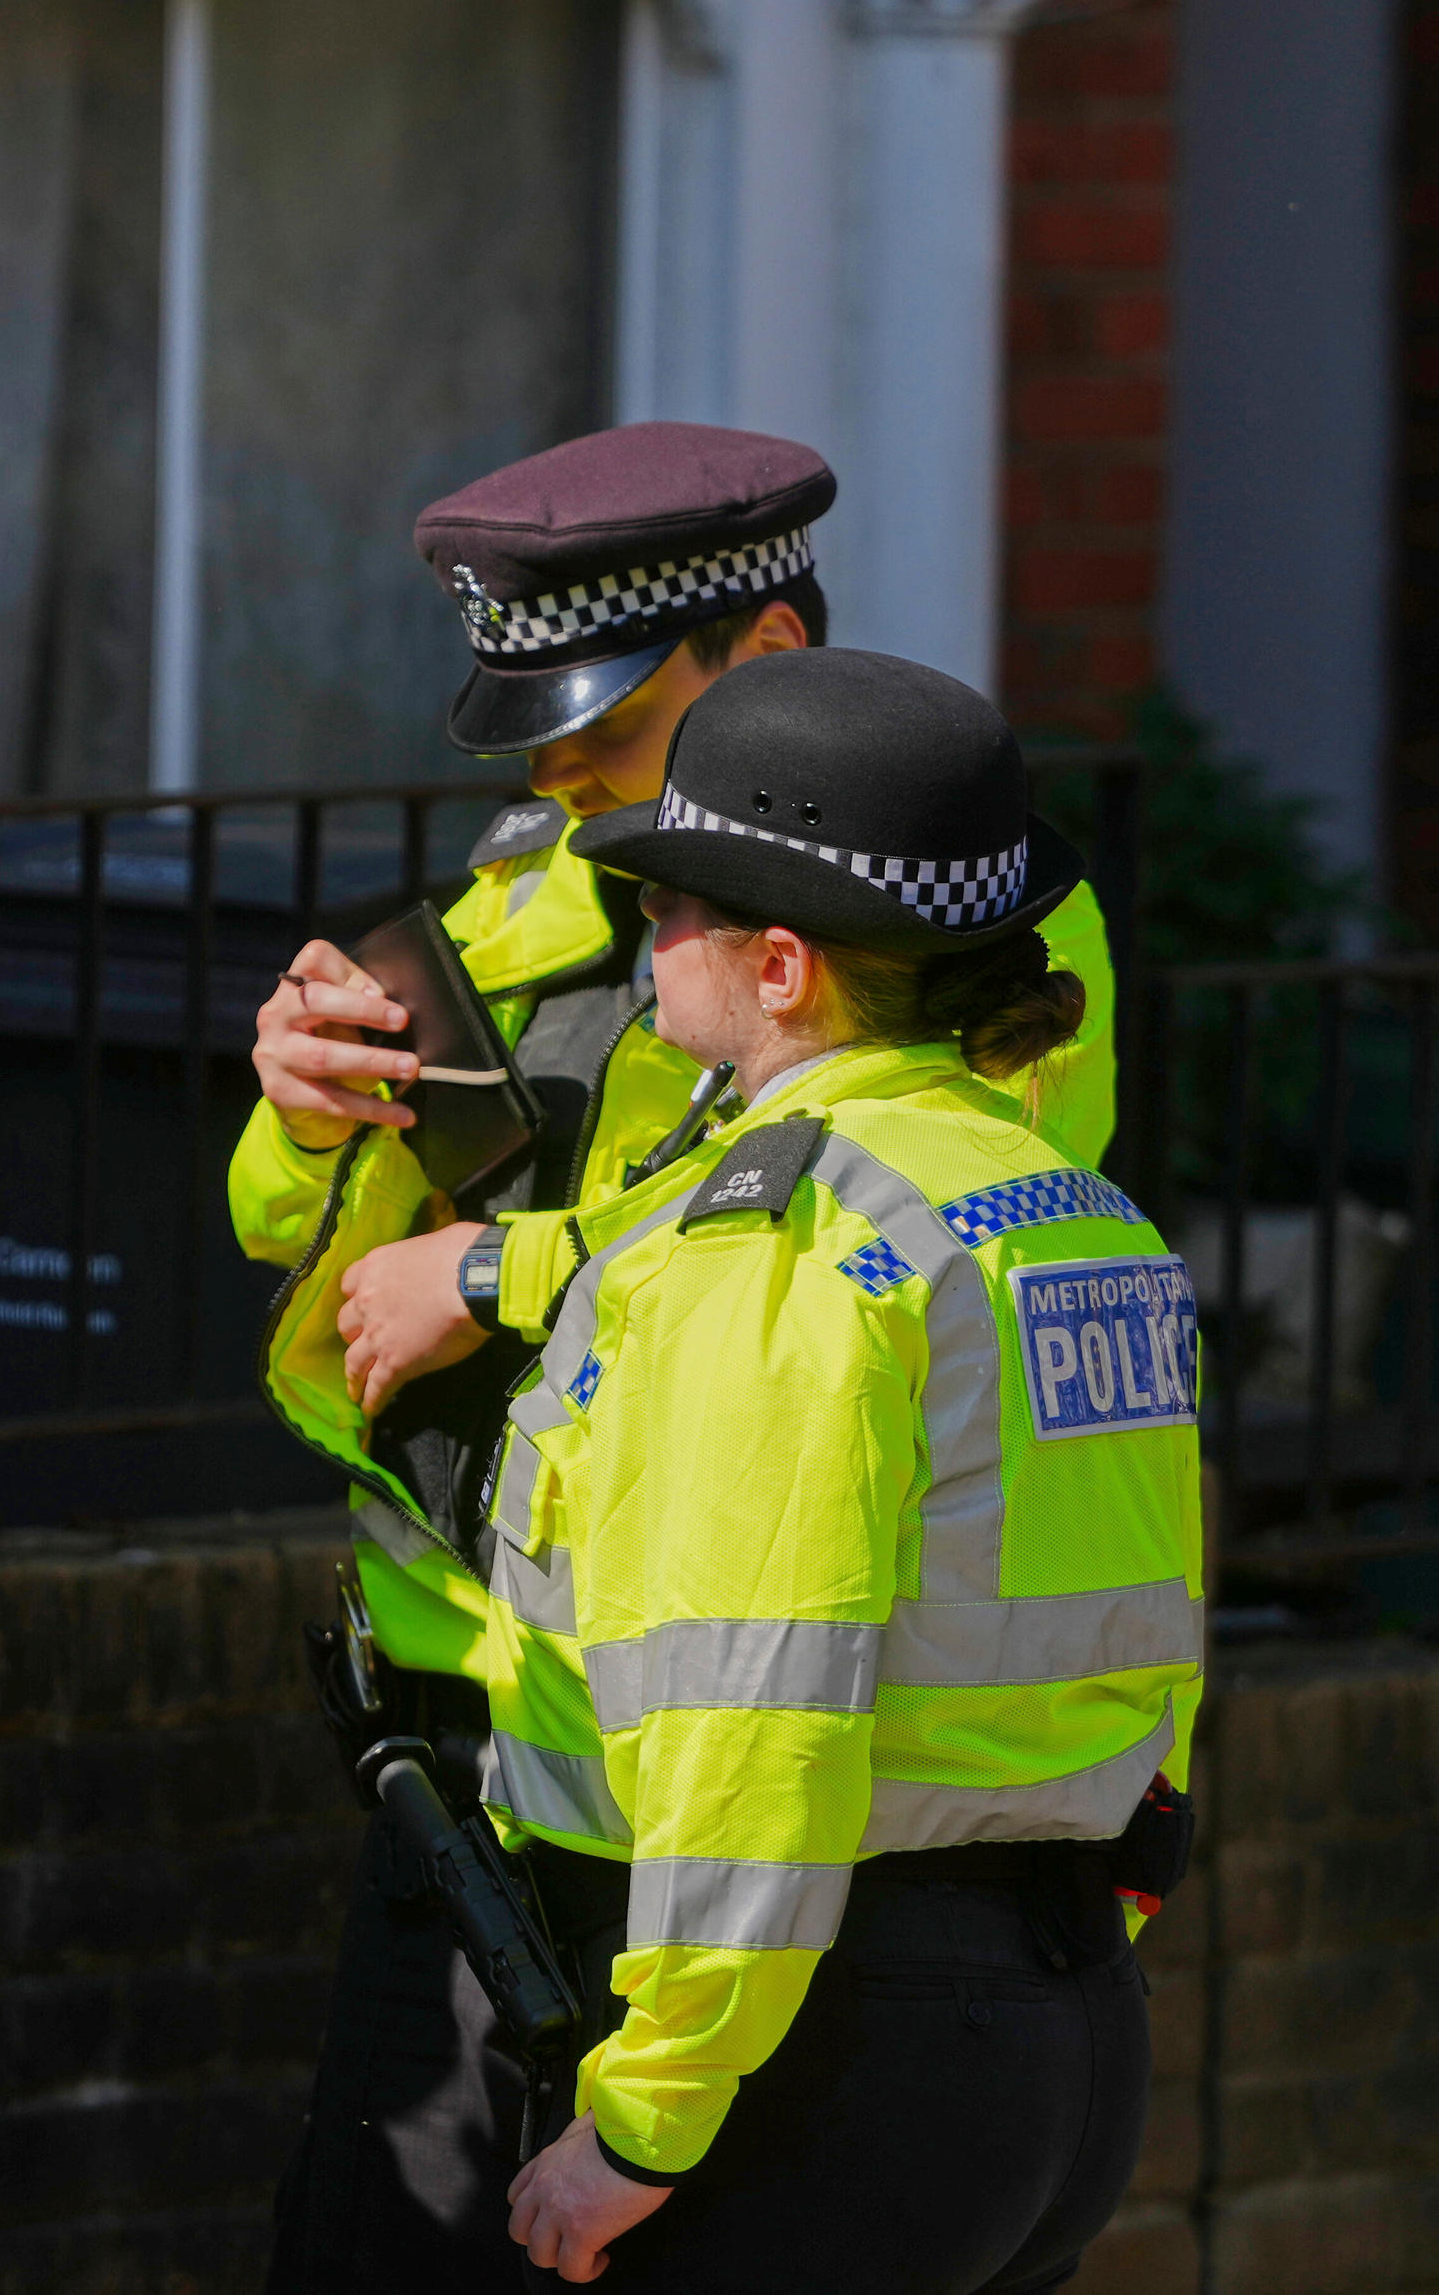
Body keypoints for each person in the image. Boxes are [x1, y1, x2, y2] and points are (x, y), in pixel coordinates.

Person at [236, 426, 1123, 2291]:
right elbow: (310, 1252)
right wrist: (303, 1119)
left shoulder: (952, 908)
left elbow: (841, 1228)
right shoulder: (536, 883)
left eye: (610, 722)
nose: (565, 780)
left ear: (769, 655)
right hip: (475, 1742)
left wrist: (497, 1267)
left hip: (692, 1812)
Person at [487, 646, 1203, 2288]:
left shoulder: (787, 1241)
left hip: (826, 2049)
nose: (649, 930)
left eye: (675, 903)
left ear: (786, 965)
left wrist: (650, 2115)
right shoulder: (1066, 1208)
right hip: (1061, 2027)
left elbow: (756, 1706)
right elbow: (1161, 1645)